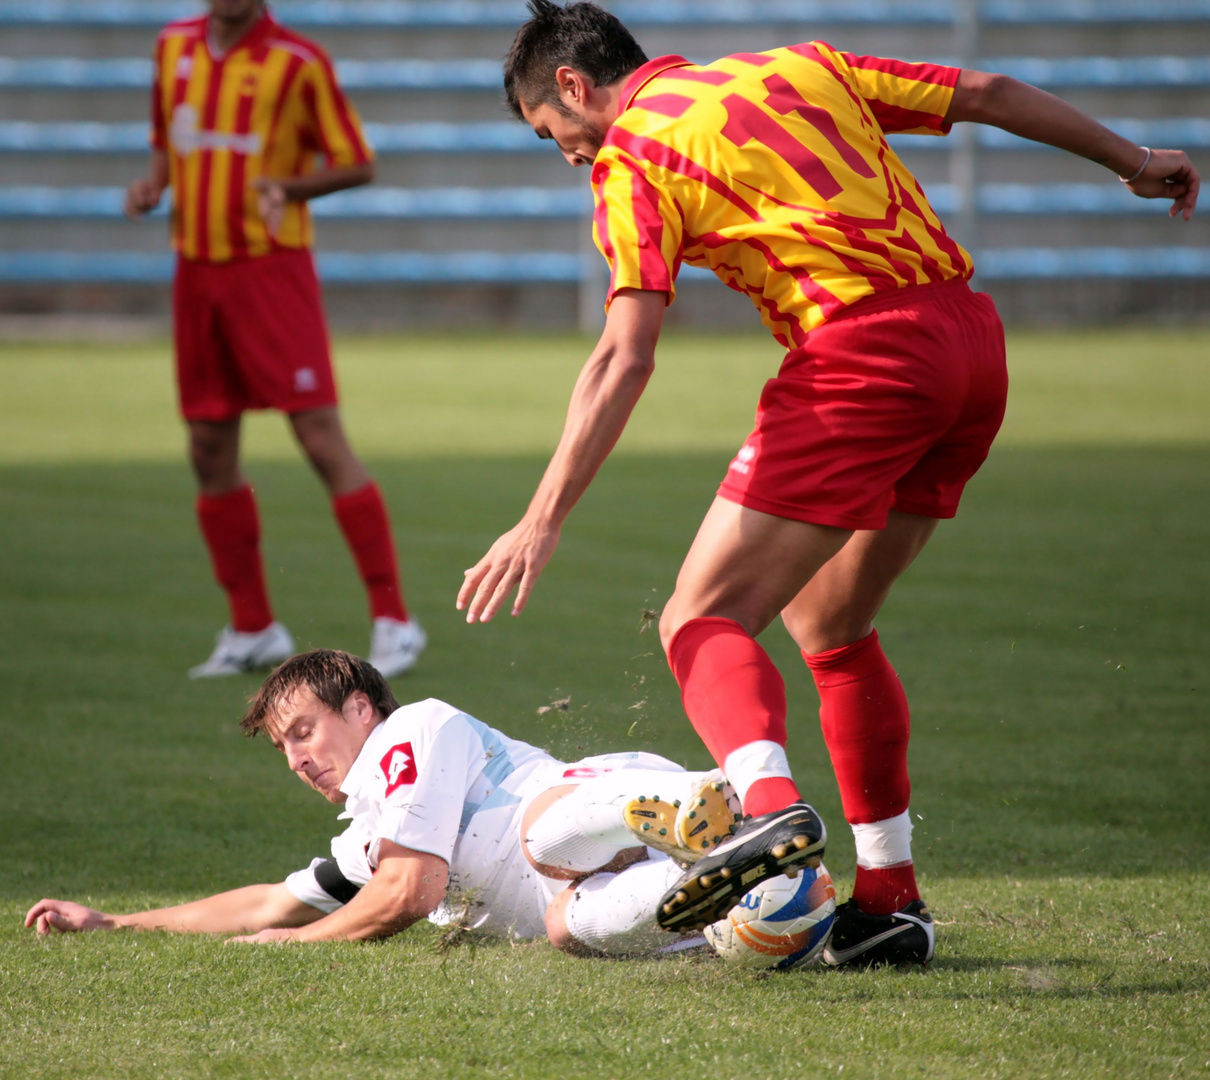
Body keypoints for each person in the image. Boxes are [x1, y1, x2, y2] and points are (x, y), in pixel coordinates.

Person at [456, 1, 1200, 964]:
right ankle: (889, 900)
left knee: (698, 619)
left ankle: (769, 811)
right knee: (831, 628)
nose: (571, 158)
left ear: (571, 85)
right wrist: (1135, 162)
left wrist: (541, 515)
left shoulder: (635, 151)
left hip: (861, 359)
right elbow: (986, 92)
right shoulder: (799, 68)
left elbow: (623, 355)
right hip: (972, 343)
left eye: (557, 138)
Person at [26, 650, 740, 956]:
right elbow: (268, 905)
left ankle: (686, 803)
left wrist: (298, 946)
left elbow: (409, 892)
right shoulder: (367, 838)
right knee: (566, 928)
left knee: (542, 841)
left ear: (362, 707)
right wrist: (116, 922)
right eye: (283, 748)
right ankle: (753, 901)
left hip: (587, 808)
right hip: (591, 886)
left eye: (304, 731)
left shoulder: (413, 729)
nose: (298, 758)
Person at [125, 0, 425, 679]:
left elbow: (357, 162)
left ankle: (394, 620)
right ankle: (251, 626)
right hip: (195, 270)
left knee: (319, 436)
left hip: (271, 270)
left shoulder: (299, 62)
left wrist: (288, 188)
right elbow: (167, 138)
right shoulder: (171, 47)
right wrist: (154, 184)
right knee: (208, 445)